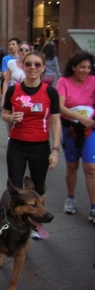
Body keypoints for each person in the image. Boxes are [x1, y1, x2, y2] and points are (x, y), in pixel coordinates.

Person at [2, 51, 61, 239]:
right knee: (15, 188)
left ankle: (37, 222)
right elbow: (4, 113)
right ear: (23, 67)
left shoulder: (50, 92)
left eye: (37, 64)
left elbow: (56, 122)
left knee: (38, 188)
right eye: (29, 64)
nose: (33, 68)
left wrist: (55, 151)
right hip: (17, 146)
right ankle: (12, 221)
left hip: (40, 146)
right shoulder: (14, 90)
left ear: (43, 67)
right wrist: (11, 117)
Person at [56, 51, 95, 222]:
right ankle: (70, 197)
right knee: (72, 166)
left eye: (88, 67)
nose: (86, 71)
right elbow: (60, 107)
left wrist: (88, 120)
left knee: (91, 169)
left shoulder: (93, 81)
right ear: (73, 67)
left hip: (90, 130)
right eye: (82, 67)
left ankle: (93, 206)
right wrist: (79, 118)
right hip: (70, 129)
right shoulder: (63, 82)